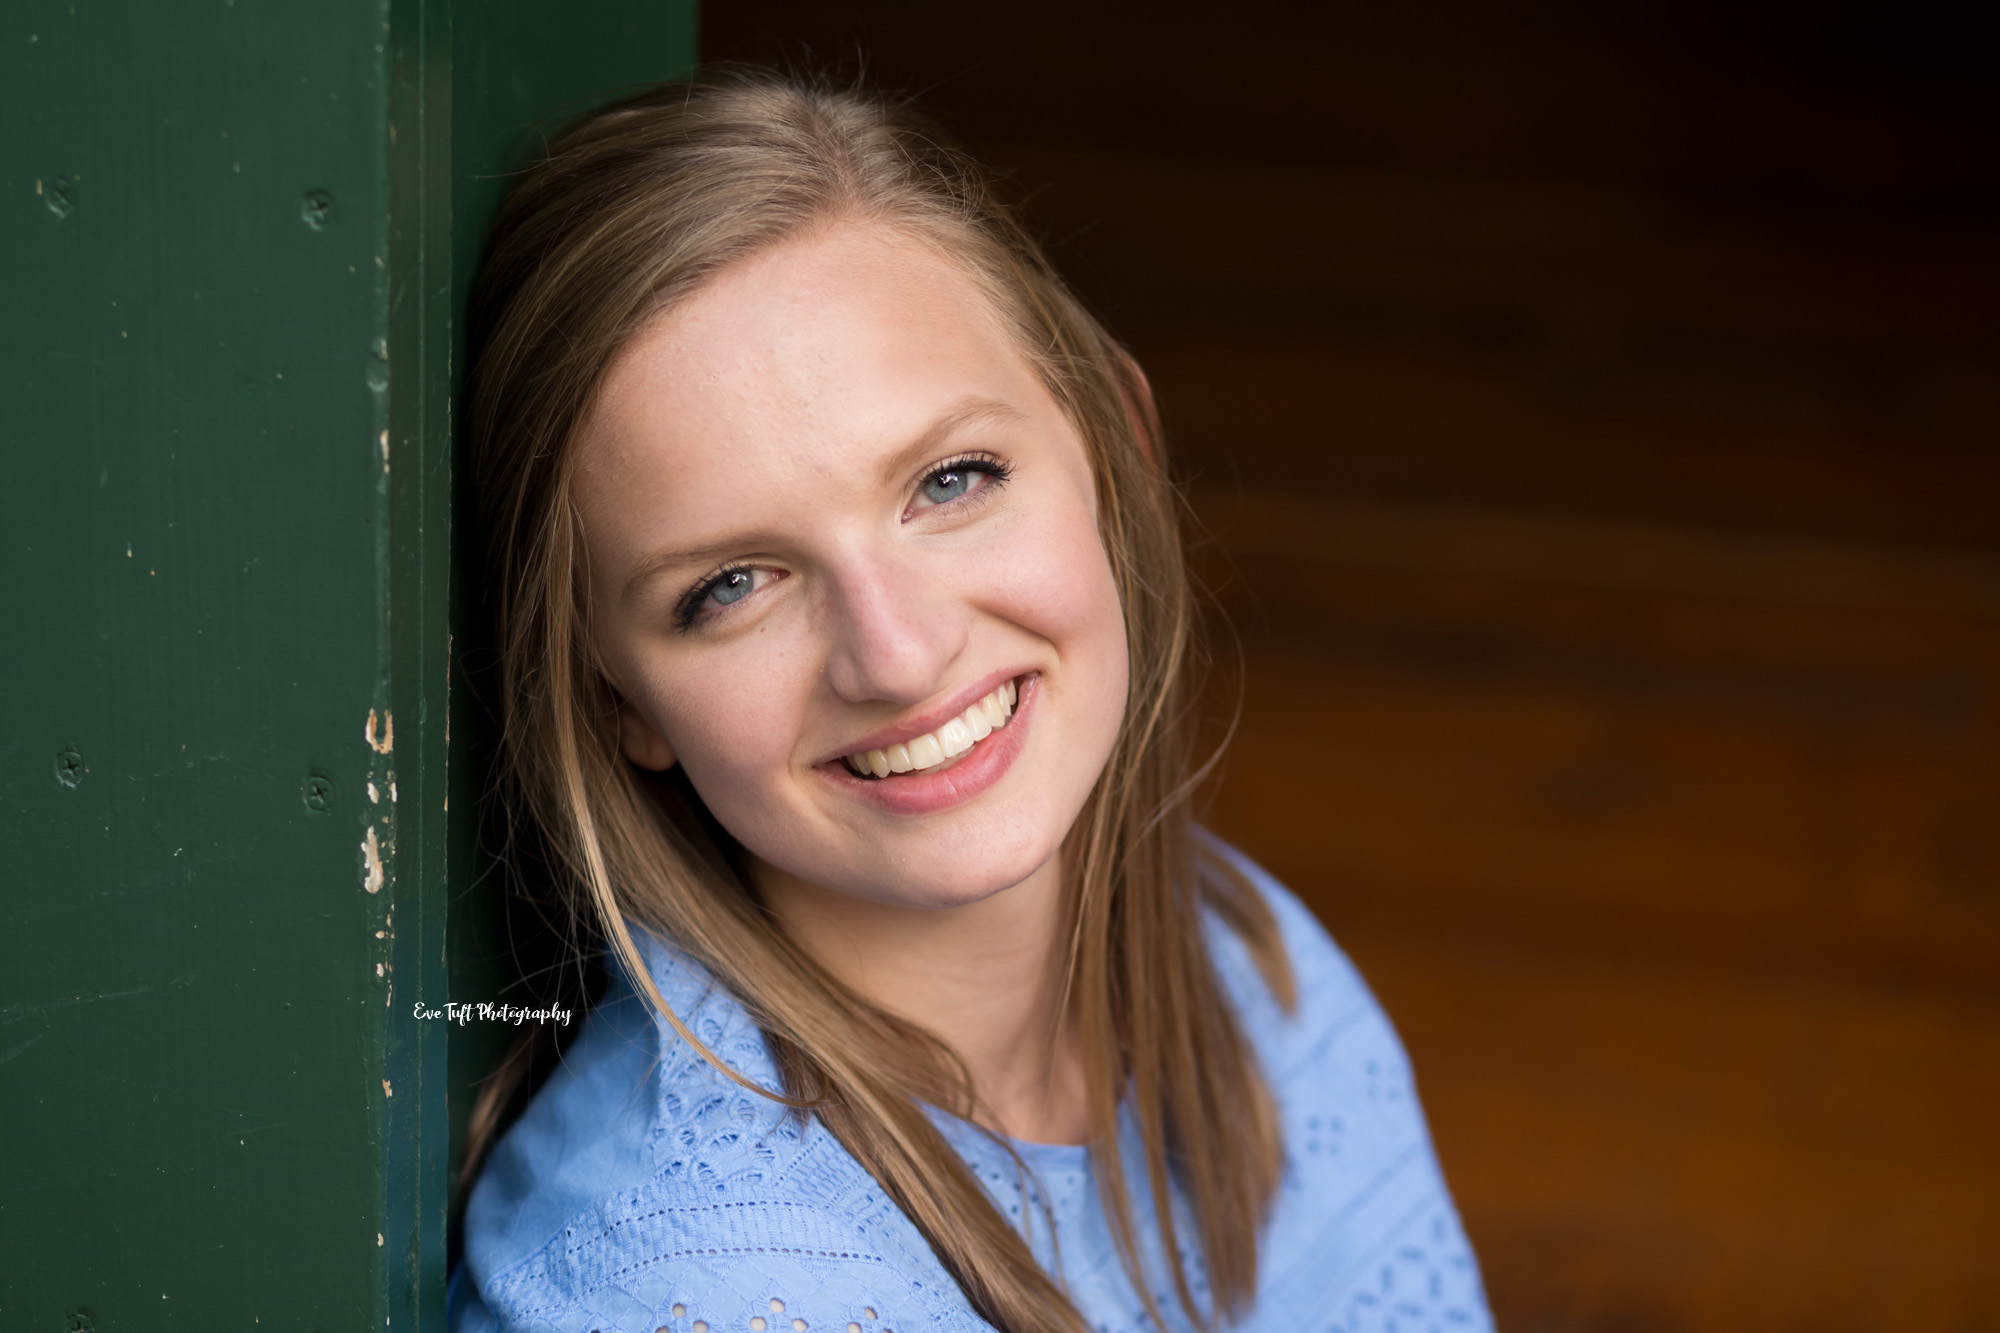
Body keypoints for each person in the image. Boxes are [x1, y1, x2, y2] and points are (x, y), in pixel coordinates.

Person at [449, 69, 1492, 1333]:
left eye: (950, 479)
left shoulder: (1256, 976)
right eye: (730, 584)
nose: (892, 652)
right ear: (617, 699)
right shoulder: (686, 1284)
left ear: (1117, 447)